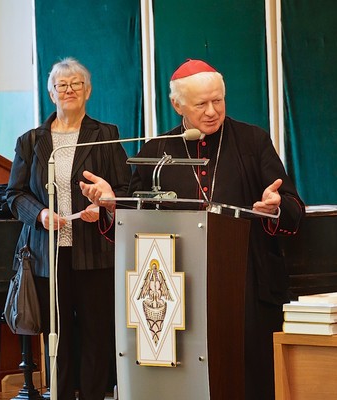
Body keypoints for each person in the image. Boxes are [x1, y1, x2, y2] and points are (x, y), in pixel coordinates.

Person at [123, 59, 304, 400]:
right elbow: (132, 218)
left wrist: (275, 207)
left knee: (248, 380)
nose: (211, 111)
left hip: (246, 285)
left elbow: (294, 207)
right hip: (176, 291)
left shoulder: (252, 141)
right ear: (177, 105)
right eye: (201, 104)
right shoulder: (156, 151)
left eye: (218, 101)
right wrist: (108, 206)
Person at [6, 57, 132, 400]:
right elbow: (14, 196)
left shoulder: (105, 135)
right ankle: (59, 395)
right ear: (52, 93)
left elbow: (125, 188)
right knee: (57, 336)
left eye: (76, 83)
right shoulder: (31, 140)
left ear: (88, 91)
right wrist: (41, 214)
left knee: (95, 333)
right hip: (48, 256)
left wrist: (102, 204)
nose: (70, 89)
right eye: (62, 84)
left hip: (95, 251)